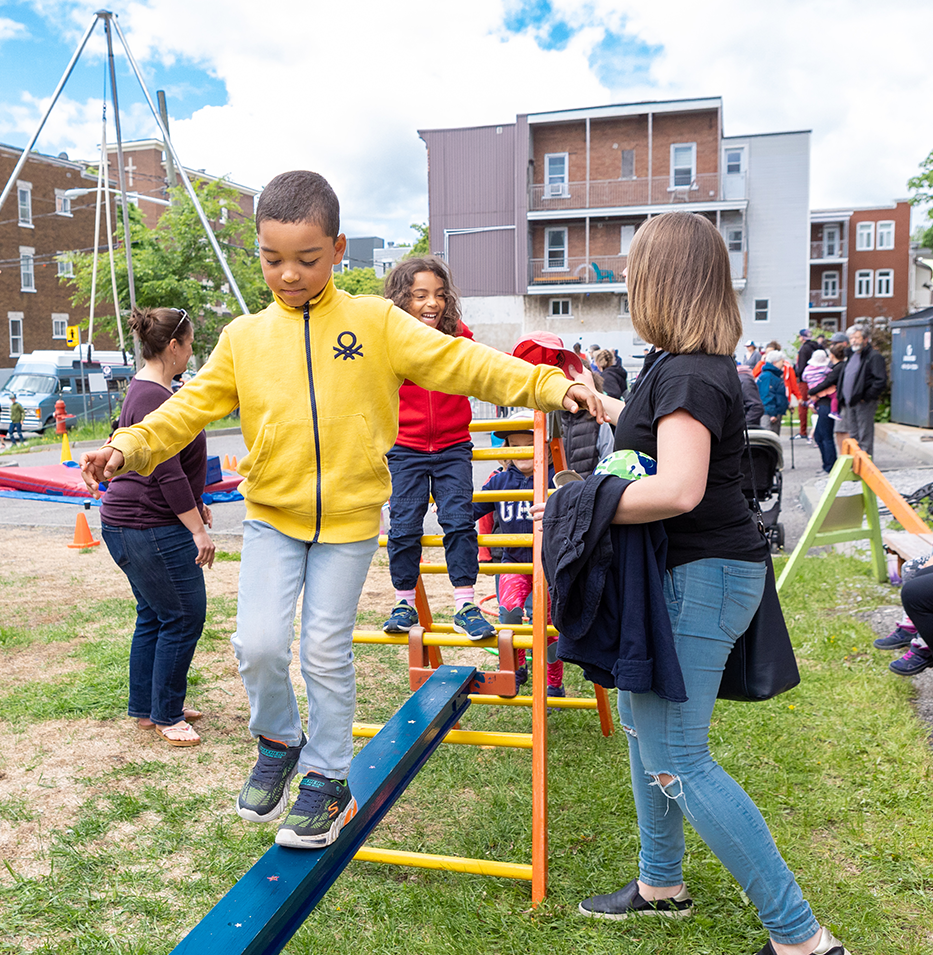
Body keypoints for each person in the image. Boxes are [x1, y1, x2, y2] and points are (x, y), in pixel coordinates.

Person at [79, 169, 603, 851]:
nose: (288, 274)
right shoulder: (244, 338)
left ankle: (327, 777)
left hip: (349, 522)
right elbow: (184, 409)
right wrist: (126, 445)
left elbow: (463, 362)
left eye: (307, 258)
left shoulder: (374, 321)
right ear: (258, 252)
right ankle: (278, 740)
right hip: (271, 515)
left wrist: (545, 384)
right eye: (272, 259)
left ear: (338, 248)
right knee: (258, 644)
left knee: (324, 649)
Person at [536, 211, 850, 955]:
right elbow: (661, 441)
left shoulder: (682, 371)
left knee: (678, 756)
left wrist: (574, 503)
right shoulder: (683, 366)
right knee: (648, 735)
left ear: (662, 279)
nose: (626, 278)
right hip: (693, 571)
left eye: (635, 267)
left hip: (697, 575)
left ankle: (802, 938)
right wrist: (600, 402)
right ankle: (660, 883)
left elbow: (676, 488)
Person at [100, 306, 213, 746]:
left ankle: (149, 707)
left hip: (134, 523)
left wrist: (197, 507)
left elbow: (176, 469)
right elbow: (166, 474)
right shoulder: (152, 397)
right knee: (183, 616)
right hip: (147, 526)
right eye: (188, 344)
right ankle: (166, 713)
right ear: (173, 346)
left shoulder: (150, 390)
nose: (190, 352)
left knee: (154, 614)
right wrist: (197, 530)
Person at [381, 256, 495, 640]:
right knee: (404, 525)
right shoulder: (390, 340)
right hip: (405, 448)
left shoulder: (459, 336)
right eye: (420, 295)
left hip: (452, 447)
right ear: (401, 299)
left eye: (440, 295)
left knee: (460, 521)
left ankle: (465, 604)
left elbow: (484, 369)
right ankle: (404, 602)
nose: (432, 303)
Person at [474, 413, 564, 700]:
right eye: (516, 445)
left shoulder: (553, 478)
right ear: (508, 450)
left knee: (547, 626)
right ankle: (518, 666)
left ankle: (554, 685)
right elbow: (477, 508)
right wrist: (454, 509)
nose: (523, 452)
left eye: (530, 444)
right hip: (514, 562)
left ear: (546, 446)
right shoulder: (500, 482)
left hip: (548, 566)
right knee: (511, 614)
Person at [839, 326, 886, 458]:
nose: (853, 341)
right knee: (853, 435)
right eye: (851, 338)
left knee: (864, 435)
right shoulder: (851, 355)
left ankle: (866, 467)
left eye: (857, 337)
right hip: (850, 402)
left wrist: (866, 396)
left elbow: (880, 381)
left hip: (864, 402)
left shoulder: (873, 357)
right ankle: (856, 466)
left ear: (865, 339)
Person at [803, 349, 838, 473]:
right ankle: (827, 465)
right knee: (819, 435)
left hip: (824, 404)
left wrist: (812, 393)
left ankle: (830, 466)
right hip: (822, 402)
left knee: (825, 436)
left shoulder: (809, 371)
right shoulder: (826, 372)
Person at [794, 329, 820, 440]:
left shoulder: (804, 349)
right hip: (817, 380)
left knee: (803, 405)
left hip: (805, 381)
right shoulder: (817, 347)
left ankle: (803, 431)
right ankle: (818, 430)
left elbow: (801, 366)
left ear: (802, 337)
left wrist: (797, 374)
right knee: (817, 405)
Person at [758, 350, 789, 434]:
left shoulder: (774, 376)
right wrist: (772, 414)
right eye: (782, 361)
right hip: (769, 414)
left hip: (775, 412)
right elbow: (766, 396)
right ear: (775, 362)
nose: (783, 364)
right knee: (768, 438)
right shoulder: (768, 376)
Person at [736, 362, 765, 429]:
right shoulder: (740, 378)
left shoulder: (743, 380)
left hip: (745, 429)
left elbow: (756, 407)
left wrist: (741, 426)